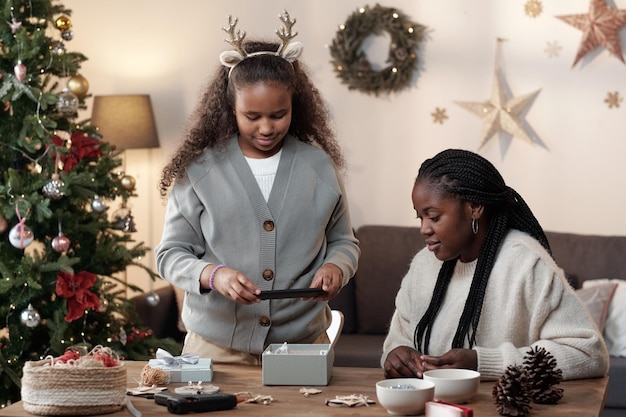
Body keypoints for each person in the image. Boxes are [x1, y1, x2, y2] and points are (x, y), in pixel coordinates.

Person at [155, 11, 359, 364]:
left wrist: (336, 267)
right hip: (214, 349)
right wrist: (212, 275)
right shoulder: (200, 171)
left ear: (295, 105)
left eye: (279, 114)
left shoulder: (318, 168)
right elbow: (169, 254)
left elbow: (344, 241)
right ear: (230, 108)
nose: (266, 127)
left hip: (302, 345)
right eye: (252, 116)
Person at [382, 149, 609, 381]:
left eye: (434, 217)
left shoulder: (526, 264)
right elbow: (398, 341)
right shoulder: (423, 264)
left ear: (475, 208)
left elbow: (589, 353)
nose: (424, 229)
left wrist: (483, 362)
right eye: (420, 217)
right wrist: (396, 355)